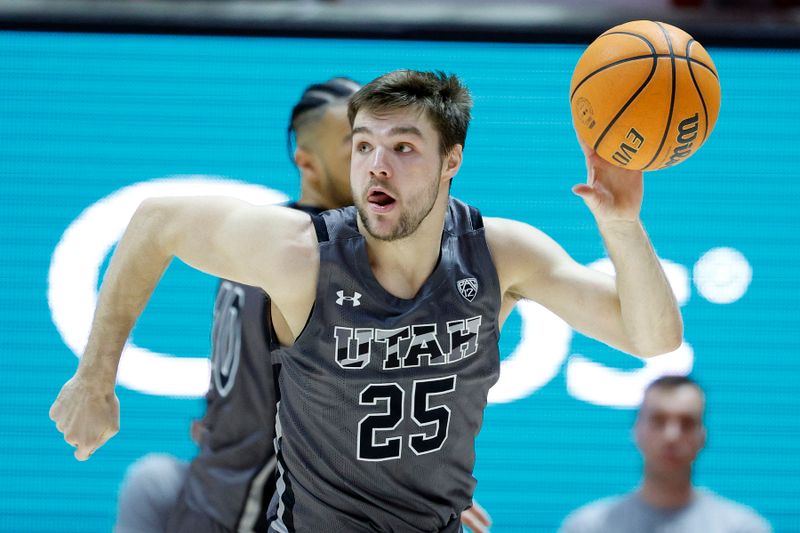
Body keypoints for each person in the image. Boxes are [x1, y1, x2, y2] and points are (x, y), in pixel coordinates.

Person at [50, 70, 682, 532]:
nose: (376, 165)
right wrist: (94, 376)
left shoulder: (497, 254)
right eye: (362, 146)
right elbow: (156, 220)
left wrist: (622, 224)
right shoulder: (302, 254)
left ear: (449, 162)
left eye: (403, 147)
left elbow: (651, 338)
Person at [559, 375, 772, 533]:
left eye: (686, 423)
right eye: (658, 421)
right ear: (637, 431)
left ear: (702, 437)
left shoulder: (743, 528)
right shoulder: (588, 527)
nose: (671, 435)